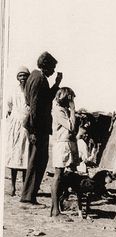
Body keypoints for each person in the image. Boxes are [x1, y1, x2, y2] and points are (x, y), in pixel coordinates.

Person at [20, 52, 62, 206]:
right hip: (38, 127)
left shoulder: (36, 76)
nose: (54, 70)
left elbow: (43, 100)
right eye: (53, 67)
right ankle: (28, 197)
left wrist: (56, 83)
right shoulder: (39, 78)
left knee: (38, 160)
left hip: (37, 126)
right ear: (47, 66)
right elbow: (36, 107)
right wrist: (33, 131)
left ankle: (29, 195)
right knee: (37, 161)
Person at [50, 87, 79, 217]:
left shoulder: (64, 110)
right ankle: (55, 209)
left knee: (64, 177)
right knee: (58, 176)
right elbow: (72, 127)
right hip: (62, 145)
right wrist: (73, 110)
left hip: (67, 144)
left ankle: (57, 207)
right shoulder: (59, 111)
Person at [5, 66, 30, 196]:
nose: (22, 79)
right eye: (20, 76)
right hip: (15, 125)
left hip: (26, 126)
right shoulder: (14, 91)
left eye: (25, 76)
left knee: (25, 156)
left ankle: (25, 189)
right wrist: (10, 114)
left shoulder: (30, 91)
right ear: (17, 78)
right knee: (14, 156)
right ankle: (13, 187)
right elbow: (9, 106)